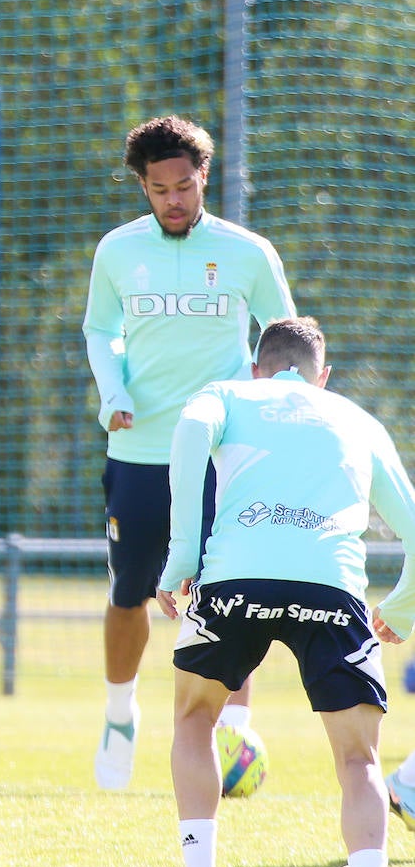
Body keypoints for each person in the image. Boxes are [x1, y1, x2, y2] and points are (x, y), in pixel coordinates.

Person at [156, 317, 415, 867]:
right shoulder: (357, 418)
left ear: (257, 369)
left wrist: (181, 559)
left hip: (234, 583)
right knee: (359, 760)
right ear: (323, 376)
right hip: (333, 591)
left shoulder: (226, 394)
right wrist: (403, 609)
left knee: (195, 720)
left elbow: (190, 431)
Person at [82, 115, 297, 789]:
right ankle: (121, 714)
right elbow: (99, 328)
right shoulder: (118, 252)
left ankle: (233, 731)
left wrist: (283, 410)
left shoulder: (248, 252)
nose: (174, 199)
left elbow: (284, 340)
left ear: (204, 177)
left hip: (222, 453)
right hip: (140, 451)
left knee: (228, 592)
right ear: (142, 187)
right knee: (130, 596)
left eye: (184, 185)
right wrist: (112, 389)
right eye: (159, 189)